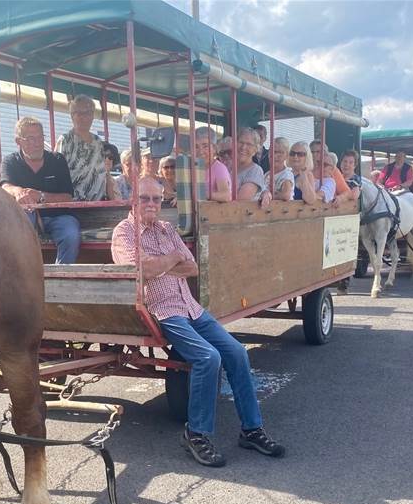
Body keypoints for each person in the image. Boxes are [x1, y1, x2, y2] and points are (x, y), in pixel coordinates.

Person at [110, 177, 284, 466]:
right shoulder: (125, 232)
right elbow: (139, 270)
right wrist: (172, 258)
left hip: (191, 307)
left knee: (238, 353)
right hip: (163, 309)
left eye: (157, 198)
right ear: (133, 200)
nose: (152, 204)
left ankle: (251, 430)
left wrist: (164, 263)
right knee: (207, 357)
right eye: (145, 198)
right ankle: (196, 434)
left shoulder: (166, 228)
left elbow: (191, 267)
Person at [1, 116, 80, 263]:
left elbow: (67, 197)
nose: (37, 143)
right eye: (30, 138)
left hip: (59, 216)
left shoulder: (57, 160)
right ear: (18, 141)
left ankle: (63, 276)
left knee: (71, 234)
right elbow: (5, 186)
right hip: (27, 217)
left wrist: (40, 196)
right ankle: (25, 276)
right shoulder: (10, 161)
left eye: (39, 138)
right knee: (19, 233)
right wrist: (19, 192)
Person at [56, 95, 105, 201]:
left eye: (88, 113)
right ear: (72, 116)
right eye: (79, 113)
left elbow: (104, 173)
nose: (84, 117)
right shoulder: (65, 140)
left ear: (92, 115)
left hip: (98, 204)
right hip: (73, 204)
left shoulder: (98, 142)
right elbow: (57, 174)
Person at [194, 126, 233, 202]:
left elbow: (226, 196)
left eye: (205, 146)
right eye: (196, 147)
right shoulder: (193, 167)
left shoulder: (219, 168)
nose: (200, 151)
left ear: (214, 148)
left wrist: (201, 194)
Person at [235, 127, 273, 206]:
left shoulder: (255, 171)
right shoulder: (228, 167)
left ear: (256, 149)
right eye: (241, 142)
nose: (243, 147)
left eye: (249, 144)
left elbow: (240, 201)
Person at [265, 137, 295, 201]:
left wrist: (267, 196)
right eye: (273, 152)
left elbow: (286, 195)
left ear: (286, 155)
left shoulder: (286, 174)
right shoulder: (266, 175)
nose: (275, 156)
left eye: (280, 152)